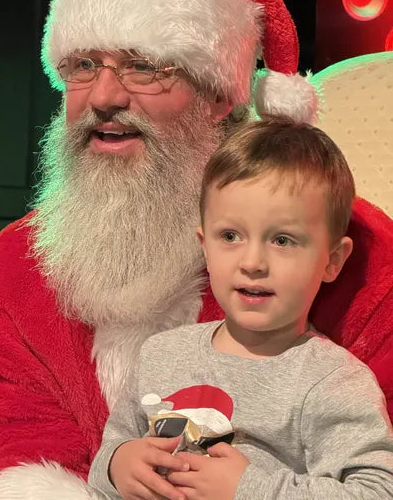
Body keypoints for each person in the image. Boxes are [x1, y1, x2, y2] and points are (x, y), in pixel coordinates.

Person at [0, 0, 393, 500]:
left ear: (219, 96)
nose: (104, 96)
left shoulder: (354, 255)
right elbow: (12, 441)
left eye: (144, 66)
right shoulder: (4, 279)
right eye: (83, 66)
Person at [88, 119, 393, 500]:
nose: (252, 262)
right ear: (204, 245)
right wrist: (118, 465)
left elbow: (377, 492)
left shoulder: (331, 380)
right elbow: (105, 458)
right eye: (230, 236)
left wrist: (248, 489)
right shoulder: (161, 354)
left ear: (332, 261)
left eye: (282, 240)